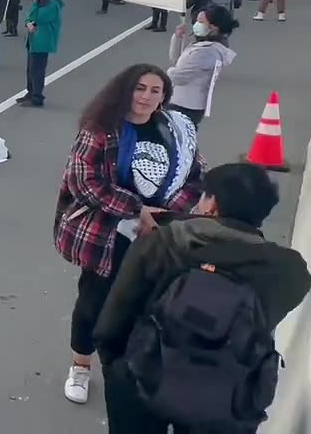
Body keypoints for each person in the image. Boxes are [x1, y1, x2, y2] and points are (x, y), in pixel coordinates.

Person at [94, 163, 311, 434]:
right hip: (228, 396)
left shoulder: (164, 242)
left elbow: (114, 319)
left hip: (146, 376)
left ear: (212, 205)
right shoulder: (288, 270)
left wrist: (116, 368)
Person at [52, 64, 204, 406]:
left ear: (164, 96)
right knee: (94, 301)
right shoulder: (100, 130)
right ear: (125, 90)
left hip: (158, 234)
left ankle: (131, 363)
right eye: (140, 88)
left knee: (146, 302)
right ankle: (80, 365)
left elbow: (196, 176)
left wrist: (163, 214)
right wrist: (138, 210)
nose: (147, 97)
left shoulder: (175, 129)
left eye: (155, 90)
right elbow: (84, 182)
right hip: (108, 234)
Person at [166, 4, 237, 128]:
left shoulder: (207, 52)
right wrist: (177, 37)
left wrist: (169, 72)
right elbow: (176, 59)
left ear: (213, 27)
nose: (196, 24)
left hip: (186, 104)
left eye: (200, 21)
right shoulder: (203, 44)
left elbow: (179, 77)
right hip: (182, 101)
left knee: (179, 140)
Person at [19, 0, 62, 107]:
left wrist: (34, 4)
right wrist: (28, 23)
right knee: (30, 69)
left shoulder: (53, 4)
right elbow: (30, 17)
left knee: (37, 70)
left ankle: (37, 97)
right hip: (33, 39)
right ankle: (31, 92)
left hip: (42, 41)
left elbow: (38, 17)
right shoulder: (41, 2)